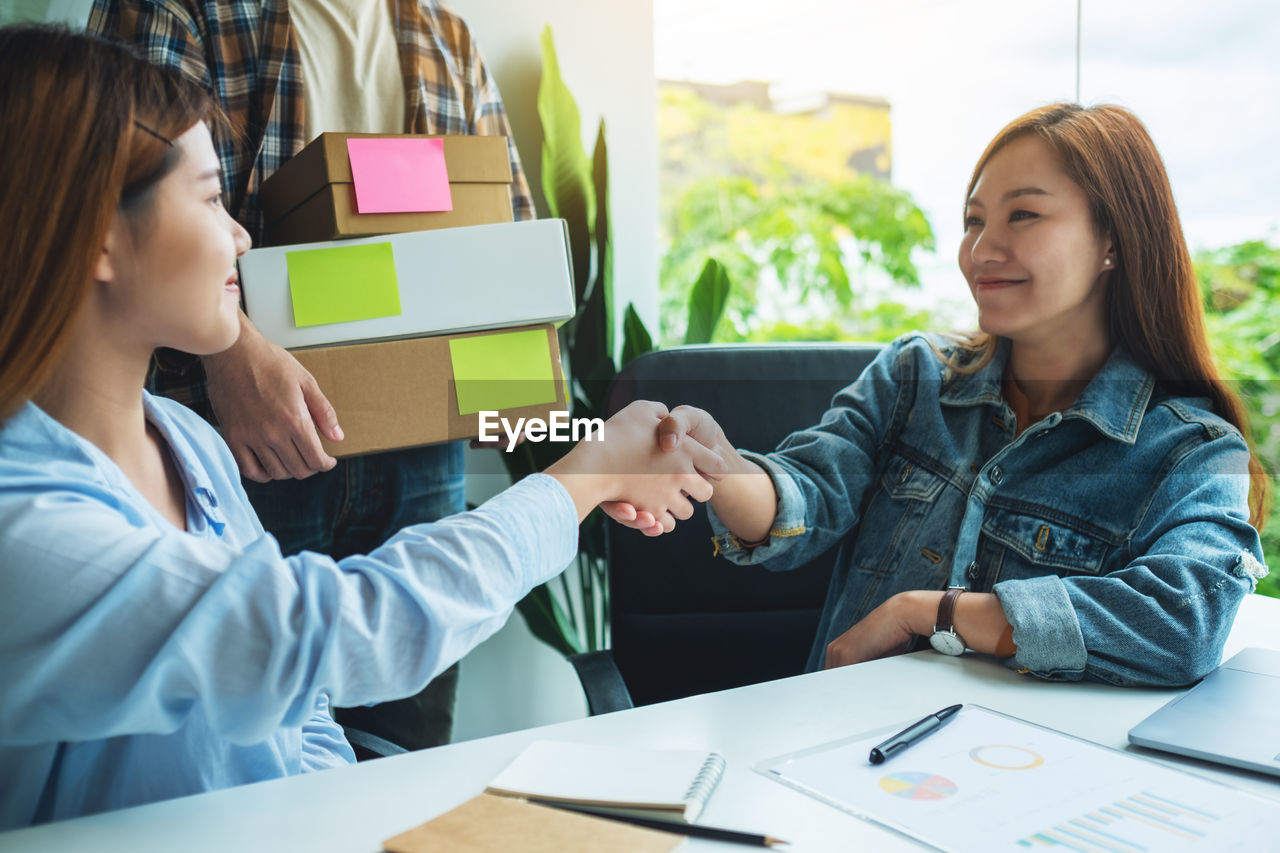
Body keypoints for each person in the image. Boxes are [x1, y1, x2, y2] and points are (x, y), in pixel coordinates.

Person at [0, 26, 722, 829]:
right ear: (98, 232)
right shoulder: (25, 522)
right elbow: (333, 628)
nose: (240, 234)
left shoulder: (184, 440)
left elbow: (300, 713)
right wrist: (586, 474)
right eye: (211, 198)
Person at [627, 103, 1269, 688]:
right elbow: (808, 496)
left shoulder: (1190, 451)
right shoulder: (914, 377)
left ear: (1113, 241)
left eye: (1024, 214)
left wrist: (934, 614)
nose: (980, 251)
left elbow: (1184, 620)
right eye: (973, 221)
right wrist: (720, 464)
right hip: (844, 740)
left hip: (1021, 775)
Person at [88, 0, 536, 752]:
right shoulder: (185, 10)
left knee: (405, 733)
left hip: (421, 443)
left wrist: (507, 392)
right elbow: (110, 193)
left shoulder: (444, 33)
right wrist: (231, 354)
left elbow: (505, 234)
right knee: (250, 722)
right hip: (242, 433)